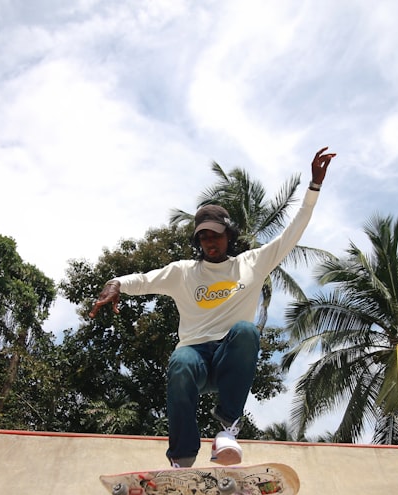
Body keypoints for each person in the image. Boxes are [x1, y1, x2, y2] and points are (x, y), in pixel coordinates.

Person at [90, 146, 336, 468]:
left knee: (246, 331)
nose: (210, 243)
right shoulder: (183, 272)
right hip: (195, 360)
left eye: (216, 236)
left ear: (228, 236)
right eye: (204, 237)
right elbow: (143, 279)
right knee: (179, 359)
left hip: (228, 359)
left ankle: (227, 432)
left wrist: (314, 188)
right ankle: (182, 456)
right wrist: (115, 284)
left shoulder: (252, 263)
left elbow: (292, 234)